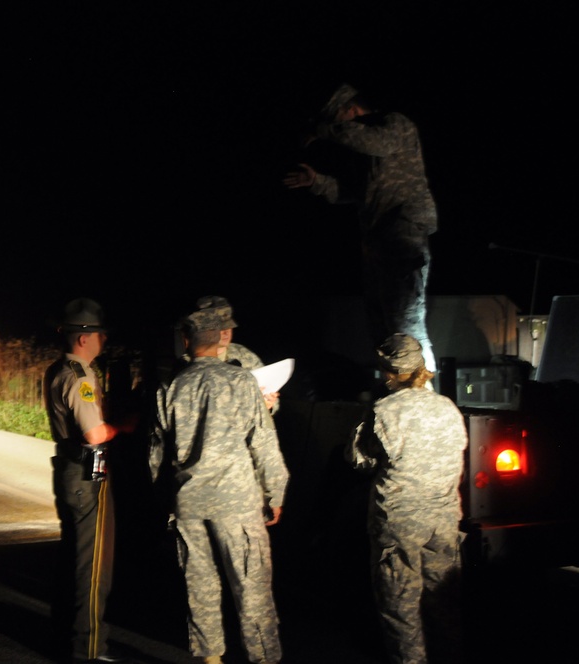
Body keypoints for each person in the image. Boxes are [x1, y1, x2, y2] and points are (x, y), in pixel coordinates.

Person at [149, 307, 290, 664]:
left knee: (200, 590)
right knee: (252, 591)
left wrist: (164, 497)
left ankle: (209, 659)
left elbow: (156, 453)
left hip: (190, 503)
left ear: (186, 340)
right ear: (221, 339)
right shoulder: (241, 381)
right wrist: (275, 492)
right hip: (237, 503)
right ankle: (263, 659)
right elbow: (263, 442)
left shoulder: (171, 385)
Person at [282, 83, 438, 373]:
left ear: (350, 110)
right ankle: (395, 390)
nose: (337, 129)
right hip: (378, 242)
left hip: (403, 233)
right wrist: (317, 182)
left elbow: (378, 143)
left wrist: (323, 130)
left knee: (406, 324)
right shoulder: (364, 153)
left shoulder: (395, 125)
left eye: (337, 120)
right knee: (381, 328)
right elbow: (355, 191)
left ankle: (422, 394)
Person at [347, 333, 467, 663]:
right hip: (442, 522)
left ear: (388, 372)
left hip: (399, 525)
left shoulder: (384, 410)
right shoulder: (447, 408)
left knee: (401, 610)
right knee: (445, 605)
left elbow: (360, 460)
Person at [44, 297, 136, 664]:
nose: (103, 341)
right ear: (84, 338)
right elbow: (95, 434)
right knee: (94, 567)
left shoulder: (58, 369)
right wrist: (123, 426)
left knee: (74, 560)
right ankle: (89, 648)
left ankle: (65, 638)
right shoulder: (79, 376)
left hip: (72, 469)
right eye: (100, 335)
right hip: (87, 470)